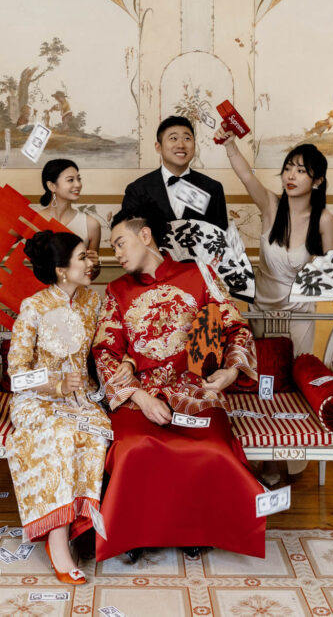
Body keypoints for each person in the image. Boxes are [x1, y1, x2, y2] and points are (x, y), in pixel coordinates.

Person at [92, 206, 264, 563]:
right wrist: (140, 397)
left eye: (120, 243)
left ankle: (193, 529)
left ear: (145, 235)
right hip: (139, 393)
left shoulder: (199, 275)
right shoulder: (116, 291)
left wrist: (231, 372)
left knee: (211, 448)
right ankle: (134, 532)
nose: (116, 253)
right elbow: (105, 350)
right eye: (113, 247)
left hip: (195, 390)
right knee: (134, 447)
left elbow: (236, 328)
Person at [5, 231, 109, 585]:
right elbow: (16, 373)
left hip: (81, 398)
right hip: (37, 399)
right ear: (62, 270)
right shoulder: (33, 307)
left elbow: (105, 349)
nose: (90, 262)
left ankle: (83, 528)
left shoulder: (92, 302)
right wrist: (55, 384)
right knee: (62, 435)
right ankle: (57, 538)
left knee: (96, 435)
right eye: (82, 257)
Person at [218, 132, 333, 355]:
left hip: (299, 310)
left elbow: (332, 270)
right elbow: (247, 176)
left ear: (317, 181)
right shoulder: (270, 205)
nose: (291, 176)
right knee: (263, 367)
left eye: (301, 171)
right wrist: (230, 145)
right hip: (261, 305)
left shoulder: (324, 220)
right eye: (288, 168)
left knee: (297, 366)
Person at [120, 116, 228, 230]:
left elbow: (221, 235)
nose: (181, 145)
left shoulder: (213, 188)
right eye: (173, 138)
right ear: (158, 147)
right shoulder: (137, 190)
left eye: (187, 138)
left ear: (194, 145)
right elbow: (129, 235)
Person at [36, 159, 101, 275]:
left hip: (76, 287)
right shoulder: (34, 220)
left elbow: (91, 274)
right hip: (37, 286)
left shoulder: (91, 225)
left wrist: (95, 266)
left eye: (79, 179)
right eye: (70, 180)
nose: (78, 184)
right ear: (52, 186)